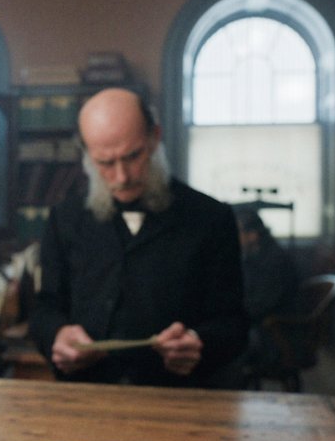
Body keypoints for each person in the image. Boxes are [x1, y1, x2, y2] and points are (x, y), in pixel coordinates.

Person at [29, 88, 248, 388]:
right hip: (88, 394)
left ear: (155, 137)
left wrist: (199, 342)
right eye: (105, 163)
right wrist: (57, 336)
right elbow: (44, 310)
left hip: (180, 396)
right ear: (87, 155)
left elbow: (234, 324)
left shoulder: (211, 218)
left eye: (133, 156)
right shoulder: (64, 218)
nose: (122, 177)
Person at [234, 206, 300, 375]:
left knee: (225, 345)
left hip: (277, 333)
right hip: (262, 326)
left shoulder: (274, 261)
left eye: (237, 232)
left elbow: (262, 305)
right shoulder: (254, 255)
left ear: (253, 235)